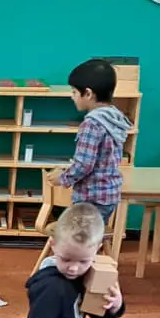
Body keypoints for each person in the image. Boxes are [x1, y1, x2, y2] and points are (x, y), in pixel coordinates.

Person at [56, 58, 133, 223]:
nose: (72, 97)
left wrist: (62, 178)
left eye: (74, 92)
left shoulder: (92, 124)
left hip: (91, 198)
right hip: (108, 195)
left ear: (88, 94)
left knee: (79, 242)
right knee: (91, 238)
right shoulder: (113, 117)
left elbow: (84, 164)